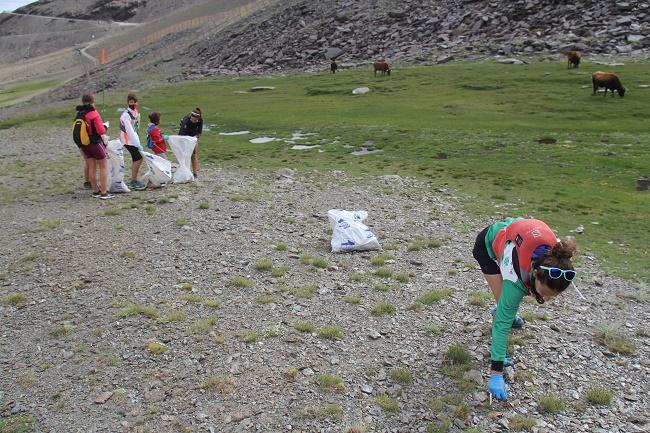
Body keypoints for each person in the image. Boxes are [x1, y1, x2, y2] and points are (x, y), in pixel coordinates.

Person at [472, 217, 577, 401]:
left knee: (515, 300)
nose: (546, 299)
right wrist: (496, 373)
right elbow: (502, 324)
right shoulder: (516, 276)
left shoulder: (557, 261)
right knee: (504, 307)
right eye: (545, 293)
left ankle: (511, 312)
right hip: (488, 244)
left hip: (514, 235)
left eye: (553, 295)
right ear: (535, 273)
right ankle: (499, 348)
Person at [75, 94, 113, 200]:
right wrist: (105, 126)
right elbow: (101, 131)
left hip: (84, 145)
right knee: (103, 165)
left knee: (91, 167)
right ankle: (104, 192)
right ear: (93, 101)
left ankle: (95, 191)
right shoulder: (93, 113)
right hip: (95, 143)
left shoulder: (79, 114)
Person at [119, 93, 146, 191]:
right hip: (127, 140)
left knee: (138, 158)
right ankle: (133, 181)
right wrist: (137, 144)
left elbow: (135, 128)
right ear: (127, 102)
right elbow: (130, 131)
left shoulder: (135, 112)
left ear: (136, 102)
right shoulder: (126, 115)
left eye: (134, 102)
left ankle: (134, 180)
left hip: (132, 139)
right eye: (130, 102)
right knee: (138, 158)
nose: (132, 103)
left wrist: (137, 140)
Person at [178, 107, 203, 178]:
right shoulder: (185, 121)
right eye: (194, 120)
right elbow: (181, 136)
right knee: (185, 155)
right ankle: (184, 171)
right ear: (191, 117)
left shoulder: (200, 120)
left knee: (194, 154)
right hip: (184, 136)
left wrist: (195, 139)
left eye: (197, 120)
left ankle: (195, 173)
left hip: (193, 138)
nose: (195, 121)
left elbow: (199, 132)